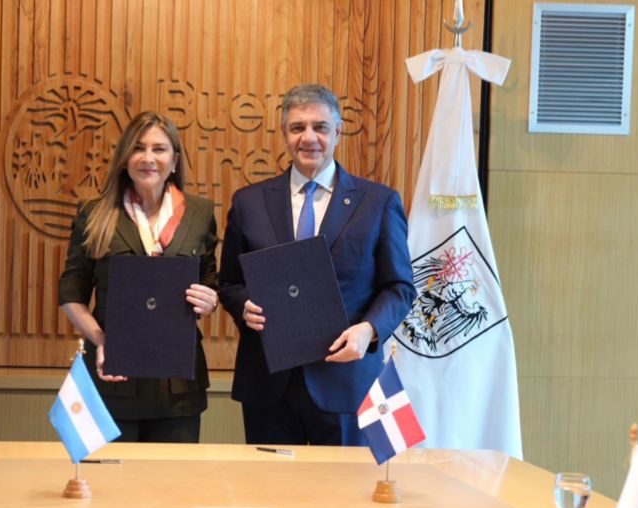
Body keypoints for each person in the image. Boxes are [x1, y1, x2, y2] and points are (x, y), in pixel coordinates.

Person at [218, 84, 416, 446]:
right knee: (271, 482)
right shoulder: (248, 202)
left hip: (348, 382)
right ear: (284, 134)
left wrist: (369, 330)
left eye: (320, 127)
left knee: (344, 484)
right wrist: (242, 306)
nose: (309, 138)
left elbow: (399, 287)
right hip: (268, 384)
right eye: (298, 127)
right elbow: (230, 282)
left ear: (337, 131)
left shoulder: (378, 202)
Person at [59, 111, 219, 443]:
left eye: (159, 149)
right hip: (113, 375)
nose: (148, 158)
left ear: (174, 160)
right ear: (124, 159)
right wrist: (103, 341)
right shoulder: (95, 213)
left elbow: (210, 282)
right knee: (112, 476)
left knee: (173, 476)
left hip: (178, 385)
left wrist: (210, 301)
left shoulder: (200, 213)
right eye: (138, 148)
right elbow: (72, 294)